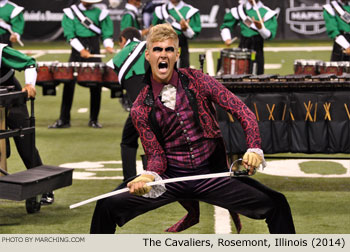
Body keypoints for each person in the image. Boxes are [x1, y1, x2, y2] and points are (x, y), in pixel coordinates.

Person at [89, 24, 295, 234]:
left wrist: (253, 148)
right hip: (171, 179)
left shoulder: (198, 80)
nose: (164, 55)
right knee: (106, 206)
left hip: (212, 176)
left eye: (169, 49)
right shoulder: (140, 107)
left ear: (177, 54)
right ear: (148, 55)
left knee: (276, 203)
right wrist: (148, 177)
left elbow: (242, 111)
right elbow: (156, 156)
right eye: (158, 49)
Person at [0, 43, 54, 204]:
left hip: (12, 98)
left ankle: (45, 189)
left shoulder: (1, 51)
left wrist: (30, 84)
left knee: (26, 146)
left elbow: (30, 62)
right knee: (3, 151)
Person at [49, 0, 114, 129]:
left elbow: (107, 32)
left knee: (96, 85)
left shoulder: (101, 13)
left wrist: (108, 45)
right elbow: (70, 35)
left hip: (94, 48)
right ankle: (64, 119)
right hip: (77, 51)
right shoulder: (70, 12)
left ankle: (94, 119)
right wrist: (81, 50)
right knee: (68, 84)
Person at [106, 27, 147, 181]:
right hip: (164, 104)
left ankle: (128, 180)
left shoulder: (123, 53)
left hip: (141, 108)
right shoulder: (151, 49)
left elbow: (110, 75)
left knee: (128, 142)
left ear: (123, 39)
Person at [220, 0, 277, 75]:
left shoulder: (266, 12)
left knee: (258, 74)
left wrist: (260, 28)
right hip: (243, 46)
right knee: (239, 74)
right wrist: (227, 38)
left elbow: (269, 36)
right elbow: (226, 26)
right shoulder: (240, 10)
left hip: (258, 47)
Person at [151, 0, 201, 68]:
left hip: (181, 45)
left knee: (182, 71)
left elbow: (192, 34)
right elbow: (154, 30)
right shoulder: (160, 10)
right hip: (163, 46)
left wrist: (185, 29)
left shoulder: (190, 11)